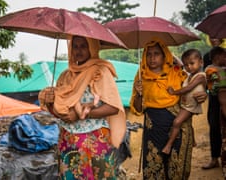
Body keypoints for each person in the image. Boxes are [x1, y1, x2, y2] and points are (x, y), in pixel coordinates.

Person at [38, 35, 126, 179]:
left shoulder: (100, 72)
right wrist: (50, 102)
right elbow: (59, 111)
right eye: (75, 46)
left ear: (92, 48)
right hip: (68, 141)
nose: (78, 51)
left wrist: (82, 113)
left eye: (83, 46)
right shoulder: (66, 75)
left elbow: (113, 107)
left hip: (96, 140)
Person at [130, 38, 207, 179]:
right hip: (153, 132)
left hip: (178, 128)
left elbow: (193, 90)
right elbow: (138, 108)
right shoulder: (141, 76)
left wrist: (203, 94)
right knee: (154, 168)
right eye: (149, 54)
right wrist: (139, 94)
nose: (152, 58)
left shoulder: (177, 73)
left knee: (176, 169)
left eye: (157, 54)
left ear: (164, 55)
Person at [162, 49, 207, 155]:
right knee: (187, 122)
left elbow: (188, 88)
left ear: (201, 62)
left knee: (177, 122)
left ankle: (168, 145)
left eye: (192, 63)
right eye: (187, 65)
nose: (189, 67)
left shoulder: (200, 76)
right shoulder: (189, 75)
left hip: (190, 105)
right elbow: (180, 65)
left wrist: (174, 92)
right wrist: (172, 56)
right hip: (186, 103)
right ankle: (194, 141)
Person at [202, 41, 224, 170]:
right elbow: (206, 78)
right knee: (214, 125)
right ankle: (214, 158)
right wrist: (204, 92)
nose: (214, 38)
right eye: (211, 37)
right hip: (214, 97)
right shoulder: (207, 57)